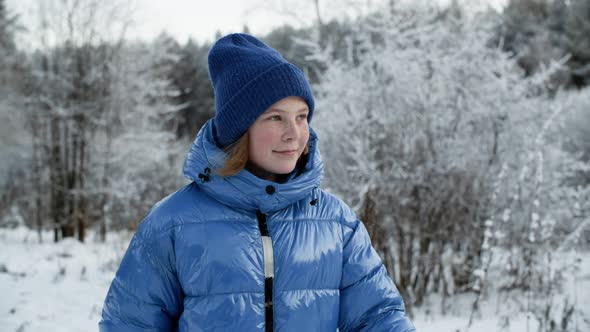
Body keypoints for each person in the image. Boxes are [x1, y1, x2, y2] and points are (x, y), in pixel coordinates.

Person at [99, 33, 415, 332]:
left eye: (302, 116)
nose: (294, 133)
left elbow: (379, 317)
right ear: (239, 130)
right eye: (276, 117)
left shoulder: (336, 222)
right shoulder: (171, 224)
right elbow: (129, 325)